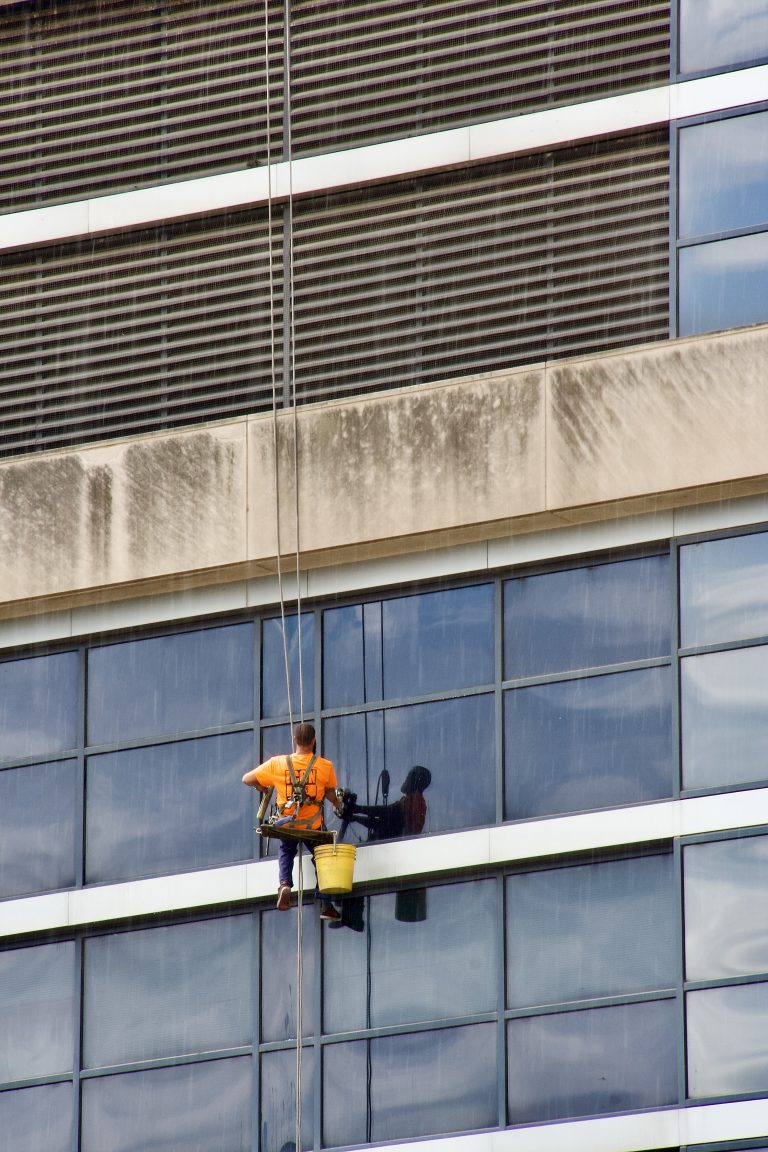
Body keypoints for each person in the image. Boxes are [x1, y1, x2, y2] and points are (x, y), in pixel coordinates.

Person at [242, 722, 342, 921]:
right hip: (312, 826)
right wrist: (338, 804)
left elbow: (247, 778)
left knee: (287, 850)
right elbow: (330, 793)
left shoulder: (277, 763)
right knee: (323, 859)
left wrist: (262, 787)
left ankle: (285, 884)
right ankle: (326, 903)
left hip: (287, 824)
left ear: (294, 740)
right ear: (314, 741)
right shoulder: (325, 766)